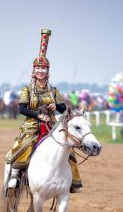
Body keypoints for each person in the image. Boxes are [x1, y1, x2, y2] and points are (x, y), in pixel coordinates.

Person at [5, 29, 83, 192]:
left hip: (52, 126)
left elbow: (63, 108)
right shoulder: (27, 89)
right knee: (24, 145)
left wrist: (56, 107)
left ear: (48, 71)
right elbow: (22, 109)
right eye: (38, 68)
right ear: (34, 71)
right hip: (32, 124)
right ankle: (14, 175)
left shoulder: (53, 90)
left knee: (67, 149)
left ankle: (73, 182)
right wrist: (38, 115)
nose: (40, 71)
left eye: (43, 68)